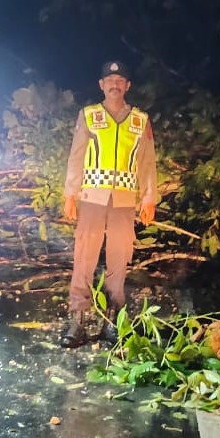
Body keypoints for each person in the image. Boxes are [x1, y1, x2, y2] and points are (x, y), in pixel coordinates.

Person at [60, 60, 158, 348]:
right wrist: (70, 193)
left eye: (120, 80)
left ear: (127, 86)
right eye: (109, 80)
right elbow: (76, 155)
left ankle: (113, 321)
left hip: (124, 202)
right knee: (84, 258)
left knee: (119, 260)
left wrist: (149, 197)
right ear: (101, 85)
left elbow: (148, 161)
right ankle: (77, 319)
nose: (115, 85)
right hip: (91, 198)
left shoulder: (140, 120)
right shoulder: (89, 116)